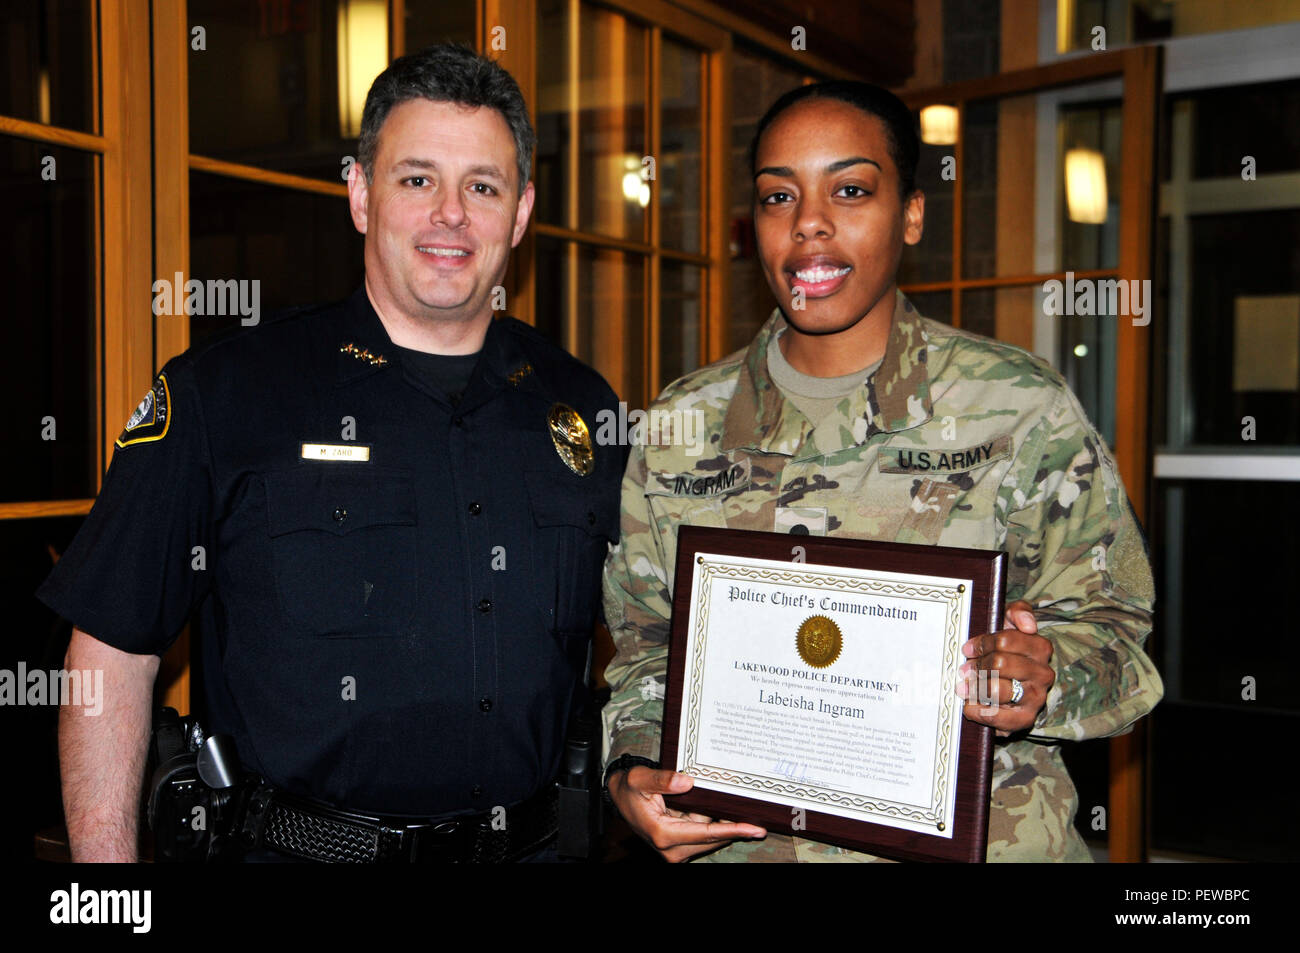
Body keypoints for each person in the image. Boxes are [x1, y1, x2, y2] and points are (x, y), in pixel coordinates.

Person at [39, 44, 623, 863]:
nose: (450, 214)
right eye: (416, 178)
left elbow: (642, 634)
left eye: (482, 187)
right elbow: (111, 651)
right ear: (359, 193)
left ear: (521, 211)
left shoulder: (584, 408)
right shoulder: (227, 393)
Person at [601, 81, 1163, 863]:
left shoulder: (1017, 409)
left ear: (911, 215)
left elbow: (1118, 634)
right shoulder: (676, 429)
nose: (809, 225)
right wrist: (631, 768)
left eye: (852, 189)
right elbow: (646, 650)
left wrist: (1045, 678)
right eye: (777, 197)